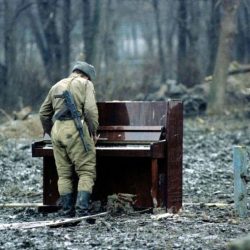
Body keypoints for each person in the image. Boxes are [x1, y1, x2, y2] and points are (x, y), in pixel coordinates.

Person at [39, 61, 99, 217]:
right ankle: (82, 212)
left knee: (64, 175)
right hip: (76, 129)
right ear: (88, 76)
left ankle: (67, 212)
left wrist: (50, 132)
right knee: (86, 171)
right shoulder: (86, 84)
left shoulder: (56, 85)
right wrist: (93, 132)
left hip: (57, 131)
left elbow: (43, 114)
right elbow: (90, 111)